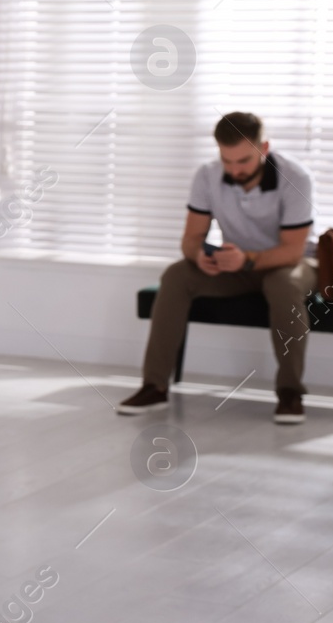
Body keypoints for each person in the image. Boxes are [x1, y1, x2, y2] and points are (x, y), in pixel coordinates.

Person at [118, 112, 316, 423]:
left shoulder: (296, 177)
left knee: (282, 285)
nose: (235, 170)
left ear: (264, 148)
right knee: (177, 274)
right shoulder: (207, 176)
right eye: (227, 161)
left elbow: (292, 251)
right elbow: (190, 239)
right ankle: (154, 386)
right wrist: (200, 256)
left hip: (289, 264)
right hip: (237, 264)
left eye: (244, 161)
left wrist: (248, 259)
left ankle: (290, 393)